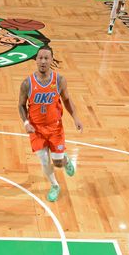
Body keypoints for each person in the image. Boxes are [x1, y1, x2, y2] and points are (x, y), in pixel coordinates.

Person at [18, 45, 83, 202]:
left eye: (46, 58)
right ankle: (55, 185)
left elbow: (67, 100)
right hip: (36, 129)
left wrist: (75, 117)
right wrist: (26, 122)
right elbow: (20, 105)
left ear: (51, 60)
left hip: (55, 128)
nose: (43, 61)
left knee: (58, 163)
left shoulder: (59, 80)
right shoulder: (27, 83)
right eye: (40, 58)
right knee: (45, 161)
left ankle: (65, 159)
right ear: (36, 60)